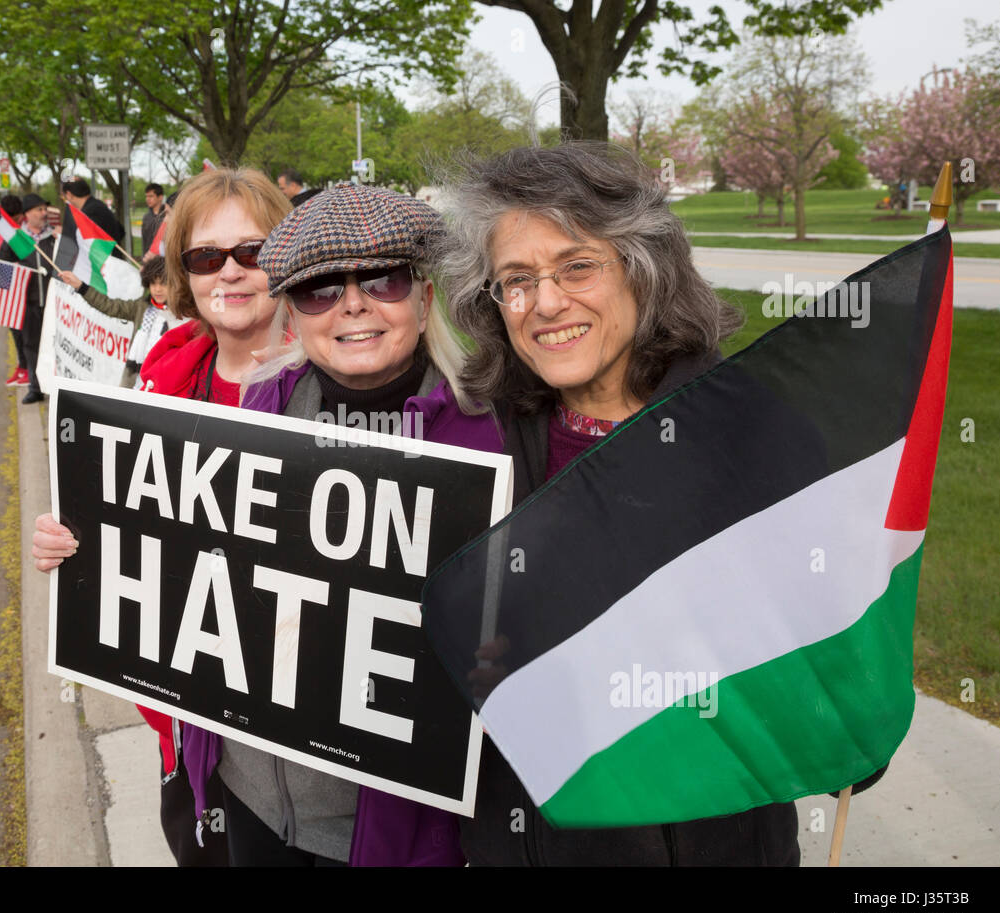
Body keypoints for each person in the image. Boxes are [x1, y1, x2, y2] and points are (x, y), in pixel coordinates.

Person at [432, 141, 840, 866]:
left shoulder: (753, 435)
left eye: (576, 266)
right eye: (516, 280)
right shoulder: (478, 442)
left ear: (643, 272)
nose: (546, 303)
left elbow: (832, 681)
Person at [175, 181, 501, 867]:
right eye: (321, 288)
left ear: (424, 296)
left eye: (382, 280)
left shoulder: (492, 435)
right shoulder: (260, 405)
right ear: (294, 312)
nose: (352, 304)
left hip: (388, 825)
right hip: (253, 797)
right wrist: (82, 545)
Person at [32, 166, 291, 866]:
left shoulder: (341, 380)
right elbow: (123, 534)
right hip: (191, 731)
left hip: (306, 751)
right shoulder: (163, 380)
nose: (230, 274)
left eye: (254, 253)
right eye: (207, 257)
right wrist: (69, 542)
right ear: (184, 272)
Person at [55, 255, 185, 388]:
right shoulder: (142, 307)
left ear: (174, 284)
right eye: (153, 283)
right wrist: (81, 286)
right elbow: (110, 306)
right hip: (135, 380)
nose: (157, 289)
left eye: (163, 283)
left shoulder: (183, 315)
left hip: (166, 381)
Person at [3, 193, 58, 405]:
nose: (44, 214)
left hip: (54, 303)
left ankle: (55, 388)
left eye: (45, 209)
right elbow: (2, 268)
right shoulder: (17, 240)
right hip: (29, 303)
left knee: (55, 346)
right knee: (31, 346)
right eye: (39, 210)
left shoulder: (54, 237)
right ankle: (35, 388)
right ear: (27, 214)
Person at [0, 194, 29, 387]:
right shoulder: (7, 228)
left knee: (21, 328)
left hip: (18, 283)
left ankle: (26, 366)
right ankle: (21, 364)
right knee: (13, 326)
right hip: (5, 276)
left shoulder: (20, 231)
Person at [62, 175, 124, 244]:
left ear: (69, 194)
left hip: (104, 254)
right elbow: (121, 231)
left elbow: (85, 239)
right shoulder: (97, 205)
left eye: (64, 197)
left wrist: (64, 233)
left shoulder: (90, 212)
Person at [140, 183, 166, 261]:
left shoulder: (168, 216)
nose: (147, 199)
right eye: (146, 196)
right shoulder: (146, 218)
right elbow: (144, 241)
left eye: (151, 196)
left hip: (165, 261)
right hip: (150, 261)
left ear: (160, 197)